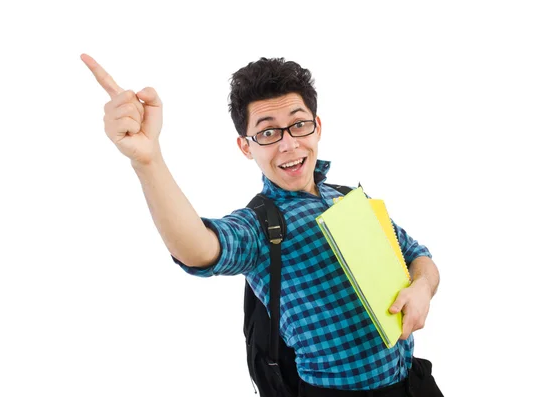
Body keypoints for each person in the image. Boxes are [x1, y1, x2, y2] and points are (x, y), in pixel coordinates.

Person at [81, 53, 442, 396]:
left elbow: (418, 256)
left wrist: (422, 287)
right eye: (268, 133)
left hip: (414, 382)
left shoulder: (352, 199)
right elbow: (199, 248)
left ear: (317, 128)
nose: (288, 144)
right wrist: (149, 160)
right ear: (245, 146)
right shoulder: (260, 226)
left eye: (298, 125)